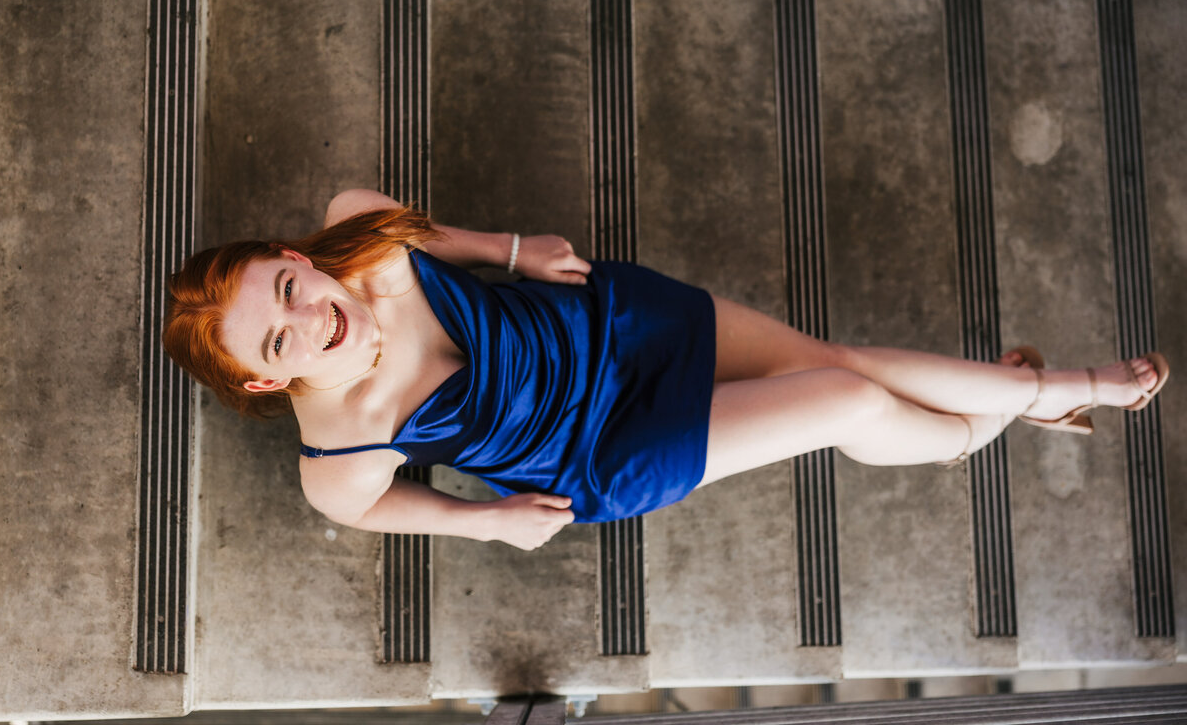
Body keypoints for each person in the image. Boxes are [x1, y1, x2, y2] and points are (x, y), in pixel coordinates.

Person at [164, 189, 1169, 550]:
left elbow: (432, 234)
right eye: (276, 341)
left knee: (843, 362)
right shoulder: (337, 456)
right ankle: (1036, 402)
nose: (308, 322)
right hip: (603, 449)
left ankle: (1024, 405)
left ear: (293, 260)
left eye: (286, 291)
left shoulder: (357, 233)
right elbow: (389, 509)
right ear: (261, 379)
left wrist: (513, 249)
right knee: (847, 397)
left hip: (617, 323)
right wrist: (491, 522)